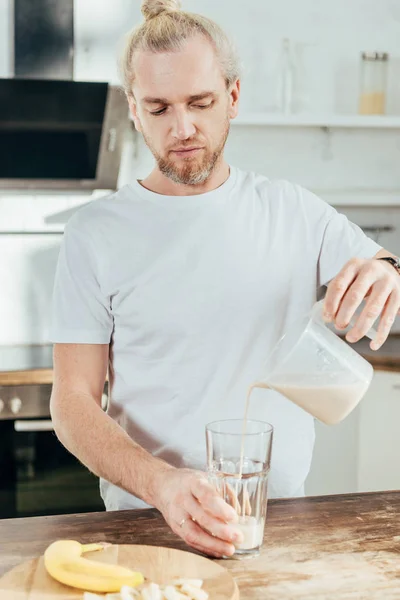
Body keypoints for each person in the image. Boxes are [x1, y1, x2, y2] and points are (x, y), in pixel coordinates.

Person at [50, 0, 400, 558]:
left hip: (277, 522)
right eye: (159, 108)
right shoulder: (95, 233)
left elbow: (383, 265)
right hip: (144, 525)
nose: (182, 127)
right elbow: (71, 404)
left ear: (233, 97)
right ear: (134, 112)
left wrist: (387, 275)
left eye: (201, 102)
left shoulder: (292, 211)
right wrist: (162, 485)